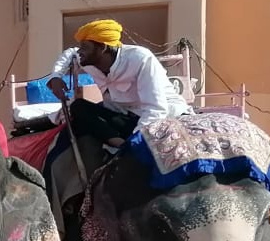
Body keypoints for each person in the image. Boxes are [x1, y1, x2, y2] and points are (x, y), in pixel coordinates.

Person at [45, 19, 189, 146]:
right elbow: (70, 54)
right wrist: (56, 77)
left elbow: (156, 109)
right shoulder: (87, 59)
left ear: (102, 48)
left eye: (85, 47)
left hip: (161, 117)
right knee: (78, 107)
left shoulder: (140, 59)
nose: (80, 52)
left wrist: (137, 139)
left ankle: (128, 147)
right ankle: (120, 146)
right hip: (125, 115)